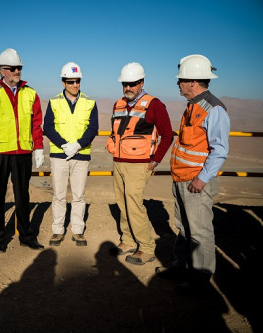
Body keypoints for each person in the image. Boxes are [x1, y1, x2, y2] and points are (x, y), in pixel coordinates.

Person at [156, 55, 230, 292]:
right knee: (184, 227)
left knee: (200, 232)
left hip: (196, 182)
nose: (177, 84)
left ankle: (200, 281)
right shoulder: (193, 106)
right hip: (183, 179)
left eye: (181, 80)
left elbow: (219, 149)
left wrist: (202, 178)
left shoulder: (213, 109)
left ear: (193, 81)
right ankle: (181, 266)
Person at [0, 48, 45, 252]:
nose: (17, 71)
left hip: (23, 152)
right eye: (13, 68)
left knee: (23, 196)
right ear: (2, 70)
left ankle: (26, 235)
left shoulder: (31, 93)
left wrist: (39, 148)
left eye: (19, 68)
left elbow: (36, 123)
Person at [106, 62, 173, 265]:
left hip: (140, 164)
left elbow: (167, 134)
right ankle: (127, 240)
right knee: (122, 203)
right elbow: (116, 132)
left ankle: (146, 248)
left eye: (133, 84)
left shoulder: (154, 105)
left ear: (142, 83)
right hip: (119, 162)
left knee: (134, 204)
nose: (128, 87)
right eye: (125, 84)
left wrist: (155, 160)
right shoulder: (118, 104)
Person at [43, 62, 99, 247]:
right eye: (71, 81)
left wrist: (78, 145)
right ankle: (58, 231)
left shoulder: (90, 102)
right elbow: (48, 127)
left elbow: (93, 128)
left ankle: (77, 231)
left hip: (81, 155)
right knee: (59, 195)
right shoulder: (54, 102)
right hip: (59, 155)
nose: (75, 85)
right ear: (63, 82)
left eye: (77, 81)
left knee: (79, 196)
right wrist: (63, 145)